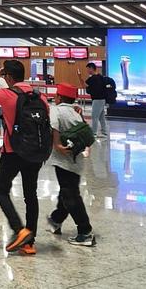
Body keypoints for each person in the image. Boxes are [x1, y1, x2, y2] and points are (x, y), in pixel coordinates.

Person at [0, 60, 51, 256]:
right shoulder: (39, 97)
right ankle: (29, 242)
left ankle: (20, 230)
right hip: (35, 152)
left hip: (13, 151)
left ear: (7, 76)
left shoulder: (7, 94)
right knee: (30, 195)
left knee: (2, 191)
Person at [47, 83, 96, 246]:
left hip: (63, 159)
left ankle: (85, 231)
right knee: (67, 190)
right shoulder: (76, 112)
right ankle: (56, 220)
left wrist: (56, 145)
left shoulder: (57, 109)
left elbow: (53, 126)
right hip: (76, 158)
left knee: (70, 194)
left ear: (59, 97)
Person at [79, 62, 114, 139]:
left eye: (88, 69)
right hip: (102, 99)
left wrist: (79, 77)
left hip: (97, 100)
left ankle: (94, 133)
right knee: (101, 117)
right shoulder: (101, 77)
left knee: (94, 116)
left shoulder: (92, 79)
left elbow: (84, 86)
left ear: (91, 68)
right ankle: (104, 132)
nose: (87, 71)